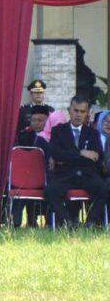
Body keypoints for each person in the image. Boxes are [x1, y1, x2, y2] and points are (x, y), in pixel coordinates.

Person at [44, 95, 107, 229]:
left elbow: (97, 156)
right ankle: (68, 222)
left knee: (104, 189)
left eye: (82, 112)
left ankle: (90, 222)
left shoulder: (92, 133)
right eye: (76, 110)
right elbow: (55, 153)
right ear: (69, 110)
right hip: (65, 173)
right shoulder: (58, 131)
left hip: (86, 173)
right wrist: (81, 153)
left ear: (87, 113)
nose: (78, 115)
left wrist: (69, 155)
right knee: (50, 191)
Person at [12, 105, 51, 228]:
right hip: (26, 175)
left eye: (40, 120)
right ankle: (18, 222)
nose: (36, 123)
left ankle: (48, 222)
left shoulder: (53, 137)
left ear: (47, 121)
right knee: (21, 185)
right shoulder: (24, 136)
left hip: (46, 175)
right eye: (34, 120)